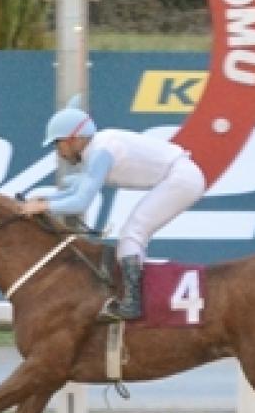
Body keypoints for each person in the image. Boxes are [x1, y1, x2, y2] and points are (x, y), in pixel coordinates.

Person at [19, 96, 205, 322]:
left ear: (73, 139)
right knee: (132, 234)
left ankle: (132, 304)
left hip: (182, 179)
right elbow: (75, 191)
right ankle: (133, 299)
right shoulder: (97, 148)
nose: (59, 153)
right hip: (181, 176)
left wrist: (45, 205)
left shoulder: (101, 152)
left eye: (58, 144)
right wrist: (43, 200)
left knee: (132, 234)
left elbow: (80, 202)